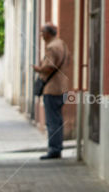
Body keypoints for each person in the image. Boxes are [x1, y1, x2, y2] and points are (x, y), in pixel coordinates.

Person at [32, 23, 70, 160]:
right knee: (58, 120)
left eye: (42, 32)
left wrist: (38, 69)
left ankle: (54, 149)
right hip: (63, 87)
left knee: (52, 121)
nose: (41, 36)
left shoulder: (51, 47)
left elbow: (49, 67)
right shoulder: (62, 44)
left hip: (52, 88)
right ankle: (57, 147)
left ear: (48, 33)